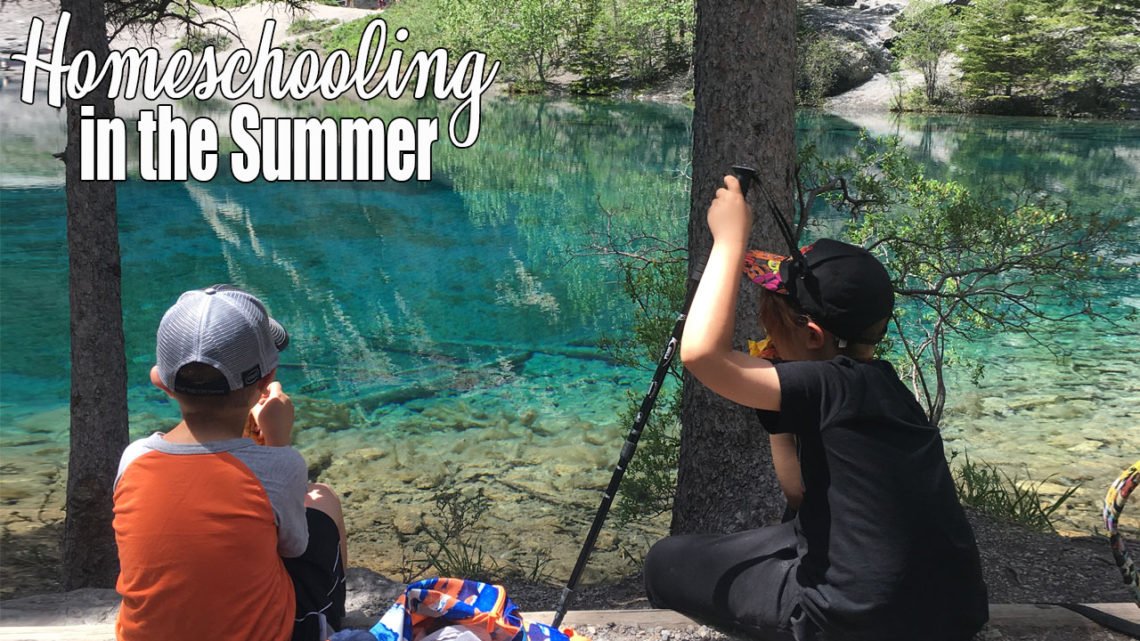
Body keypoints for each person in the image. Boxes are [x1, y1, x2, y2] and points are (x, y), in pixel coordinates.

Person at [643, 176, 988, 641]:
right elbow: (800, 494)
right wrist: (783, 412)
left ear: (811, 335)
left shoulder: (822, 383)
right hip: (956, 612)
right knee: (791, 529)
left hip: (850, 621)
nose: (764, 331)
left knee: (665, 560)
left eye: (771, 320)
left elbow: (702, 356)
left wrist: (728, 240)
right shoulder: (886, 387)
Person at [113, 285, 348, 641]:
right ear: (267, 379)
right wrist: (278, 445)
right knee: (322, 498)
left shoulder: (134, 459)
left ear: (161, 381)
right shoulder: (279, 466)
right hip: (269, 632)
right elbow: (294, 547)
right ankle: (329, 623)